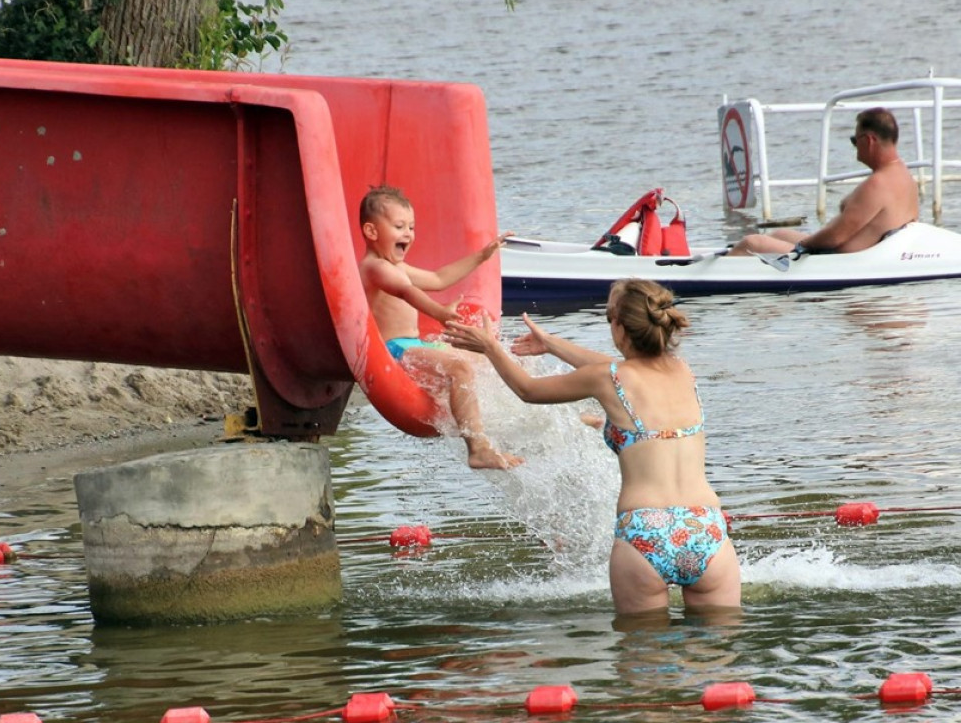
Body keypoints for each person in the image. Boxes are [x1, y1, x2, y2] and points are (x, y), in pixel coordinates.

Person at [444, 279, 741, 616]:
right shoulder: (682, 371)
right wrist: (552, 344)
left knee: (642, 646)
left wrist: (490, 347)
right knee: (718, 646)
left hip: (645, 532)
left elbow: (529, 390)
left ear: (620, 327)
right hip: (705, 528)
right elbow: (619, 369)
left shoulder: (609, 378)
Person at [358, 185, 521, 471]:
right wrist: (441, 313)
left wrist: (482, 257)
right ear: (372, 231)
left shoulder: (397, 266)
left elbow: (439, 278)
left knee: (489, 357)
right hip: (395, 351)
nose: (409, 234)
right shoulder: (375, 268)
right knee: (460, 369)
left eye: (411, 227)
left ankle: (530, 416)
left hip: (416, 345)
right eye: (399, 226)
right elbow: (407, 292)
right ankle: (478, 448)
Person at [728, 106, 919, 257]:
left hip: (839, 260)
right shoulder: (904, 176)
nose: (855, 147)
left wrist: (803, 245)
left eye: (854, 140)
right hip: (858, 254)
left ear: (868, 140)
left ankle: (716, 282)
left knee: (751, 243)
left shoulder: (878, 184)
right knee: (779, 235)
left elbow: (836, 237)